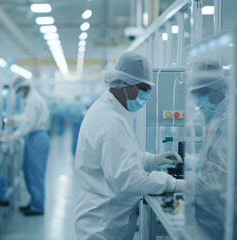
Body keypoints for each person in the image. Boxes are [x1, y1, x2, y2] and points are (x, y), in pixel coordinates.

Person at [74, 51, 186, 240]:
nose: (145, 96)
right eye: (143, 89)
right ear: (124, 83)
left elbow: (118, 159)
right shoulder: (112, 121)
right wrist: (172, 183)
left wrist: (151, 160)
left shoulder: (110, 111)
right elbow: (128, 180)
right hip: (103, 224)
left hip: (103, 218)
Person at [185, 60, 228, 240]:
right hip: (207, 213)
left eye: (201, 93)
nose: (197, 100)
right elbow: (211, 161)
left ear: (217, 89)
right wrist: (190, 160)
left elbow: (221, 177)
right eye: (194, 94)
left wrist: (179, 183)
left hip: (220, 214)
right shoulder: (215, 116)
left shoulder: (228, 120)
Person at [9, 76, 51, 216]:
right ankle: (33, 202)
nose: (21, 93)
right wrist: (14, 121)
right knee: (27, 171)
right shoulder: (31, 99)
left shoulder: (33, 100)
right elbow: (26, 118)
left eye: (20, 90)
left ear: (24, 87)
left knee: (35, 174)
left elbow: (29, 123)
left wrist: (17, 134)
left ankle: (38, 207)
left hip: (37, 138)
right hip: (32, 138)